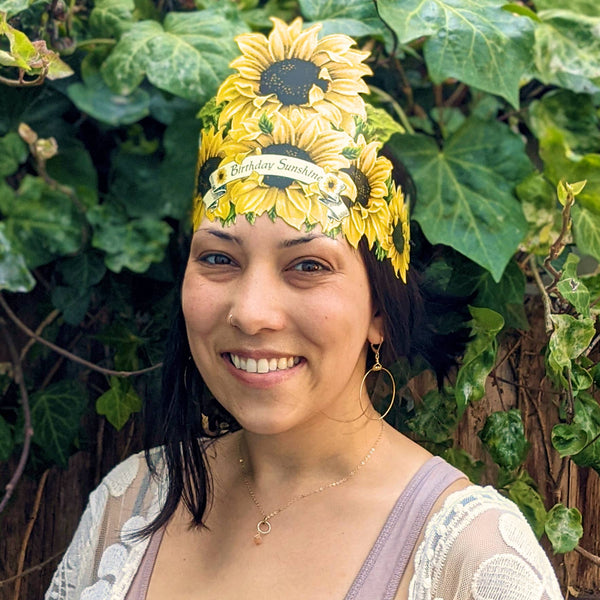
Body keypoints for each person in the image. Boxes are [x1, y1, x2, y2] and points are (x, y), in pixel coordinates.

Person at [46, 17, 564, 600]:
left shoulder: (471, 560)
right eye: (219, 259)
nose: (252, 312)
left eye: (309, 266)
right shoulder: (129, 506)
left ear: (379, 311)